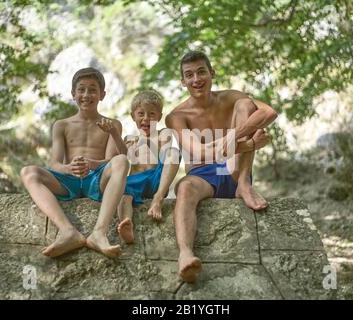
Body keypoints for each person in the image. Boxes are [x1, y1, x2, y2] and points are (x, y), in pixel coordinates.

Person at [166, 50, 277, 283]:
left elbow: (268, 112)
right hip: (204, 175)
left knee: (245, 104)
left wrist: (234, 135)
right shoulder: (176, 115)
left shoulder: (231, 97)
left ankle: (244, 184)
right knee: (184, 188)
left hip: (234, 168)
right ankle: (185, 254)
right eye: (189, 75)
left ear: (212, 73)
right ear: (182, 81)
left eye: (201, 72)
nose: (196, 79)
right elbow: (199, 152)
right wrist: (246, 144)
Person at [20, 67, 129, 258]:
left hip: (97, 179)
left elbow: (113, 160)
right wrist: (68, 168)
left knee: (121, 160)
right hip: (68, 180)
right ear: (73, 94)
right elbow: (54, 163)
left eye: (93, 90)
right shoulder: (62, 125)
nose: (86, 95)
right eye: (81, 89)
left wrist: (93, 163)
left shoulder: (112, 124)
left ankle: (99, 233)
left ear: (102, 95)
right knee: (29, 172)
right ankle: (67, 231)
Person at [111, 90, 180, 244]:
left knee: (174, 153)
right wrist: (121, 142)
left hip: (156, 178)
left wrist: (145, 142)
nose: (146, 118)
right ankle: (126, 223)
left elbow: (166, 151)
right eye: (141, 114)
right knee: (122, 193)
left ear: (159, 117)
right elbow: (119, 160)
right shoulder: (129, 139)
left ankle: (158, 199)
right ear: (133, 116)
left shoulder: (164, 133)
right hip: (135, 182)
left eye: (152, 114)